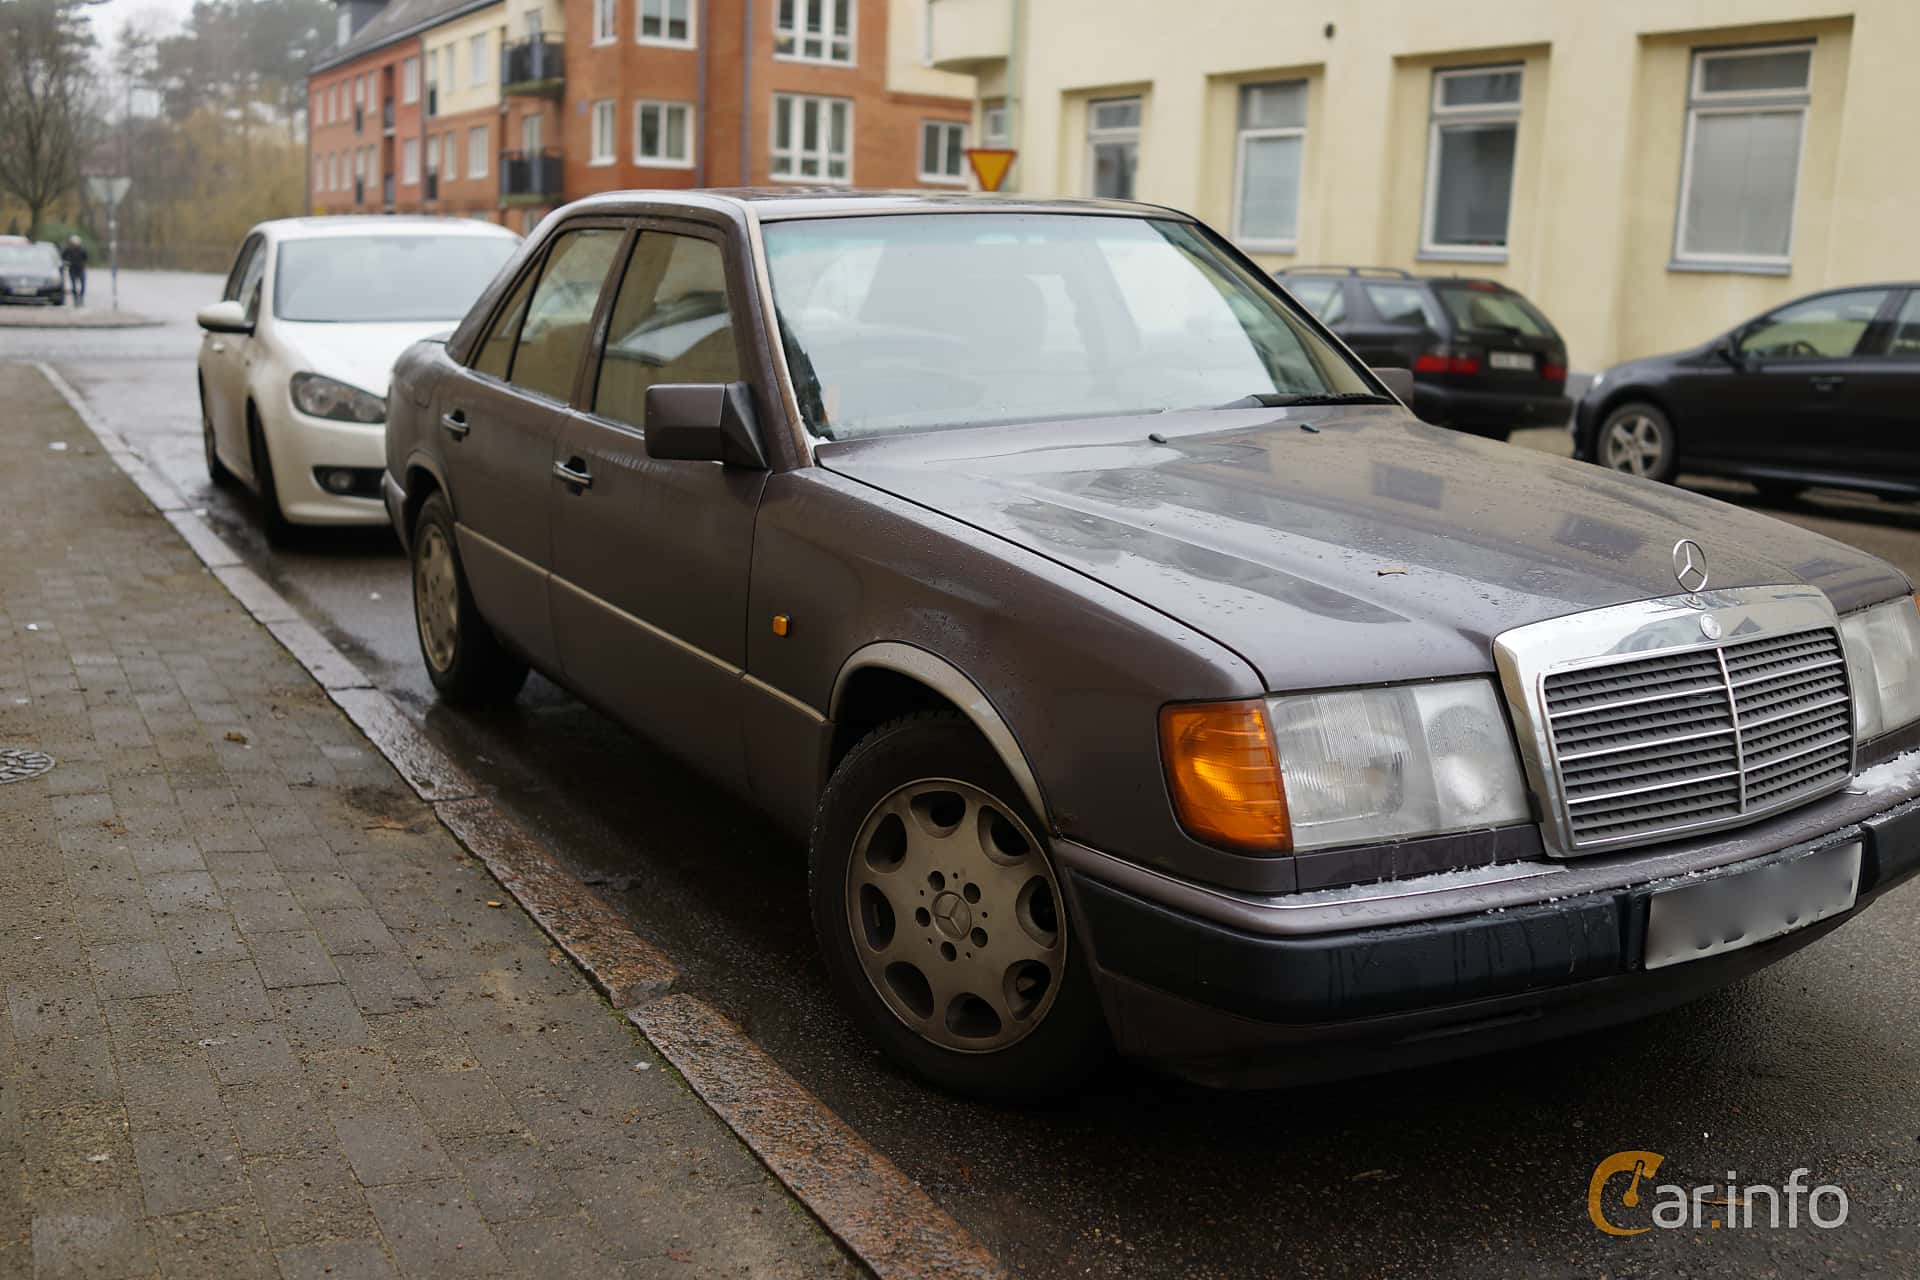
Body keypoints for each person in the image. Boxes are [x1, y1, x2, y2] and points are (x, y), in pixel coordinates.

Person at [61, 236, 88, 306]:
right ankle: (75, 299)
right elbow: (63, 256)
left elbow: (85, 258)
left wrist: (83, 265)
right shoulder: (68, 250)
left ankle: (81, 298)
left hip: (80, 269)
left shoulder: (82, 250)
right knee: (73, 286)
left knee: (83, 285)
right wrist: (67, 262)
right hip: (72, 269)